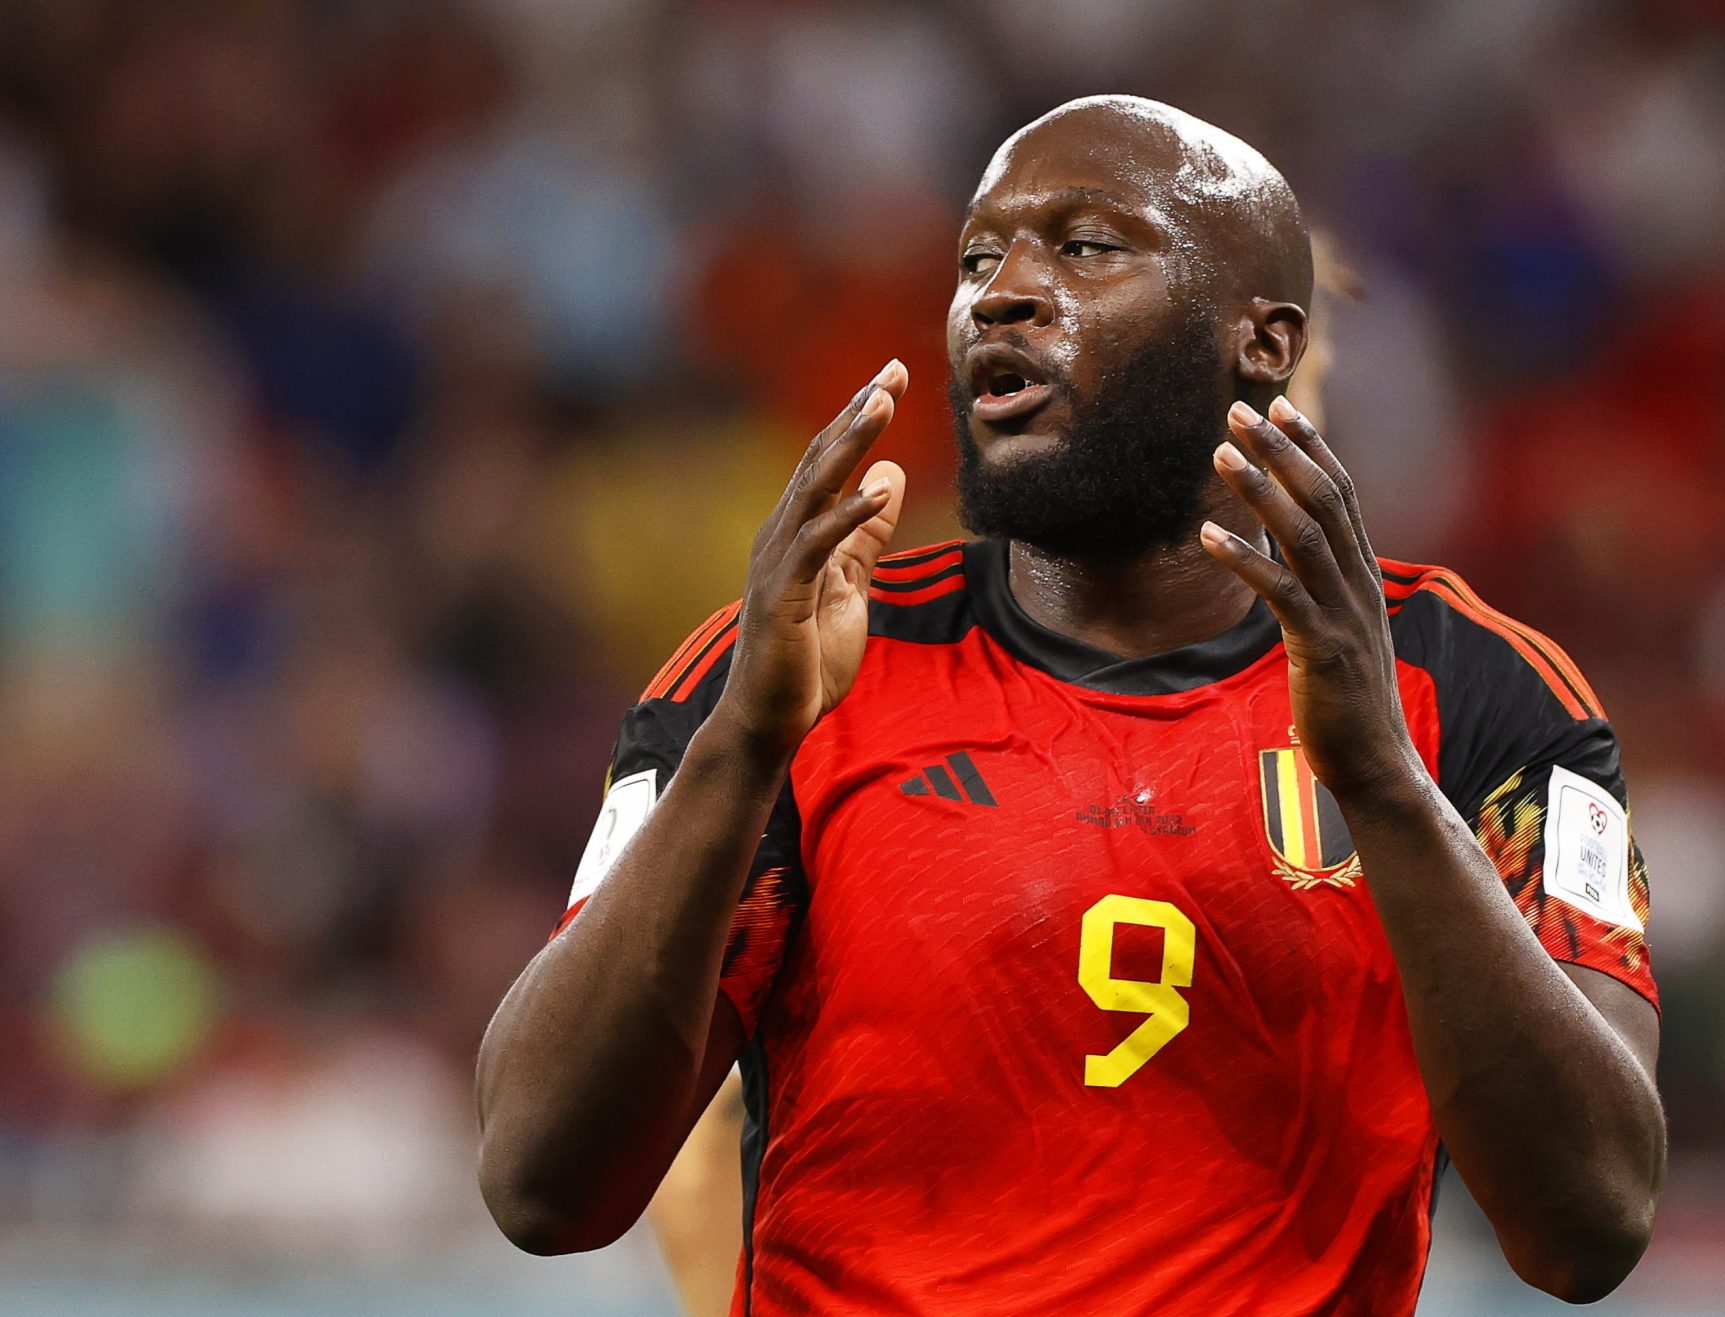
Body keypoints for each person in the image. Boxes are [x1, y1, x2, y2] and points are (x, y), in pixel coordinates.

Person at [476, 96, 1665, 1315]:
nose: (1000, 294)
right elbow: (539, 1184)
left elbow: (1589, 1222)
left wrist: (1384, 785)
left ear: (1262, 342)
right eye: (977, 261)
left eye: (1085, 246)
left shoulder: (1467, 689)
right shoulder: (793, 664)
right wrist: (738, 750)